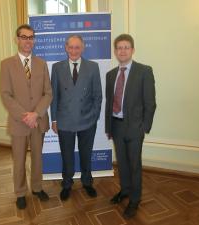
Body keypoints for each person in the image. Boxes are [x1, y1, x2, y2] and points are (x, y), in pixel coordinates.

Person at [0, 24, 53, 209]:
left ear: (34, 40)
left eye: (31, 37)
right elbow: (6, 94)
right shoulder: (6, 64)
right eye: (24, 37)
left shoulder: (41, 63)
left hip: (38, 121)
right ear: (17, 39)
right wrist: (26, 115)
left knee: (38, 157)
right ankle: (20, 192)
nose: (27, 41)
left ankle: (37, 188)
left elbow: (48, 93)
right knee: (19, 160)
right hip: (19, 122)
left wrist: (36, 114)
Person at [105, 34, 156, 218]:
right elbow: (109, 102)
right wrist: (109, 127)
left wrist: (144, 127)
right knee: (122, 163)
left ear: (132, 50)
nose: (123, 51)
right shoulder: (111, 75)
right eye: (119, 48)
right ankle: (125, 190)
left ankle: (135, 199)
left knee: (134, 165)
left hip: (135, 127)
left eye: (126, 47)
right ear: (115, 51)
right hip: (117, 126)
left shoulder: (144, 71)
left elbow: (150, 103)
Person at [51, 34, 102, 201]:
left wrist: (94, 117)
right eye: (71, 47)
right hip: (65, 121)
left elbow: (97, 95)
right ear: (66, 47)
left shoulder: (93, 67)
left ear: (83, 48)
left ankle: (87, 182)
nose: (73, 50)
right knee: (67, 155)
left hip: (87, 121)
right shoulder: (57, 68)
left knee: (86, 154)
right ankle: (67, 184)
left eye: (77, 47)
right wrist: (54, 119)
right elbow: (54, 96)